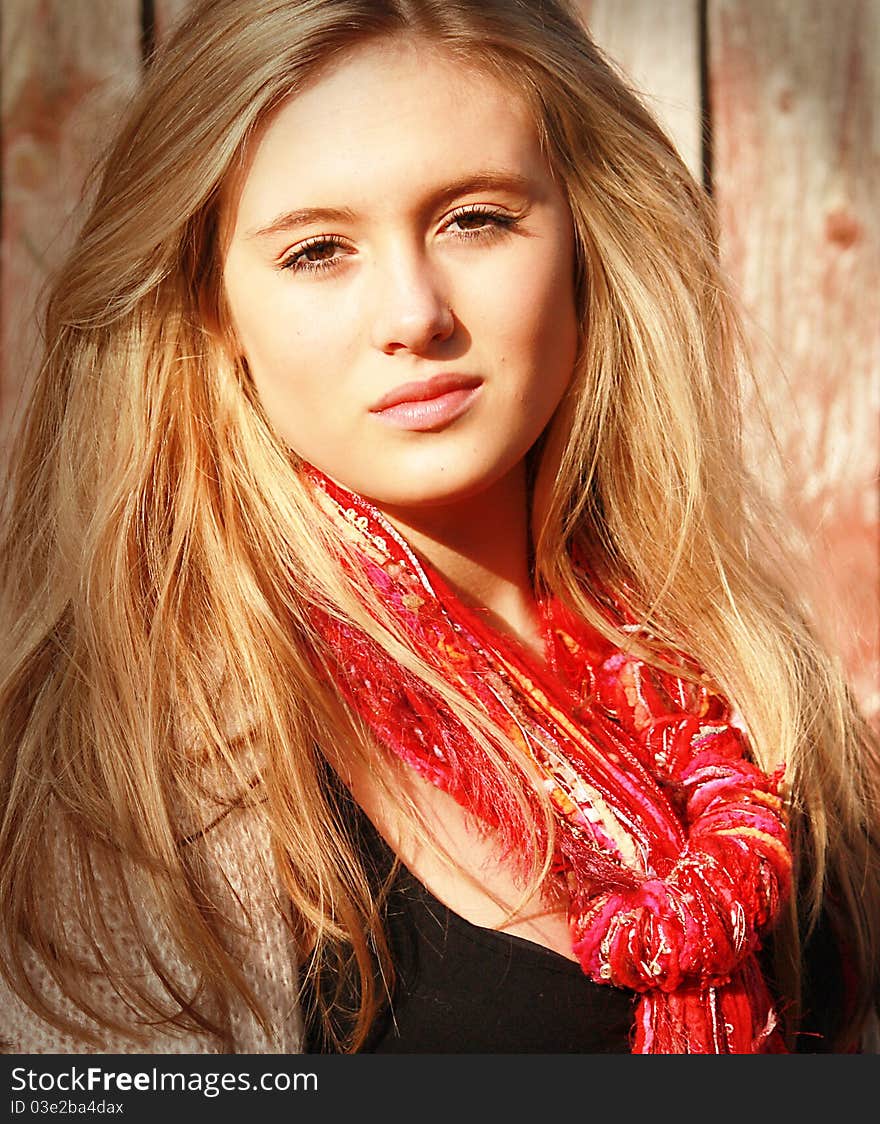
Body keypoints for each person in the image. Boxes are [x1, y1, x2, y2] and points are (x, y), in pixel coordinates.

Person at [1, 0, 878, 1056]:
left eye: (475, 219)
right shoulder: (120, 773)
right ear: (211, 304)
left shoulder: (758, 697)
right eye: (319, 250)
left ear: (590, 240)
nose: (415, 313)